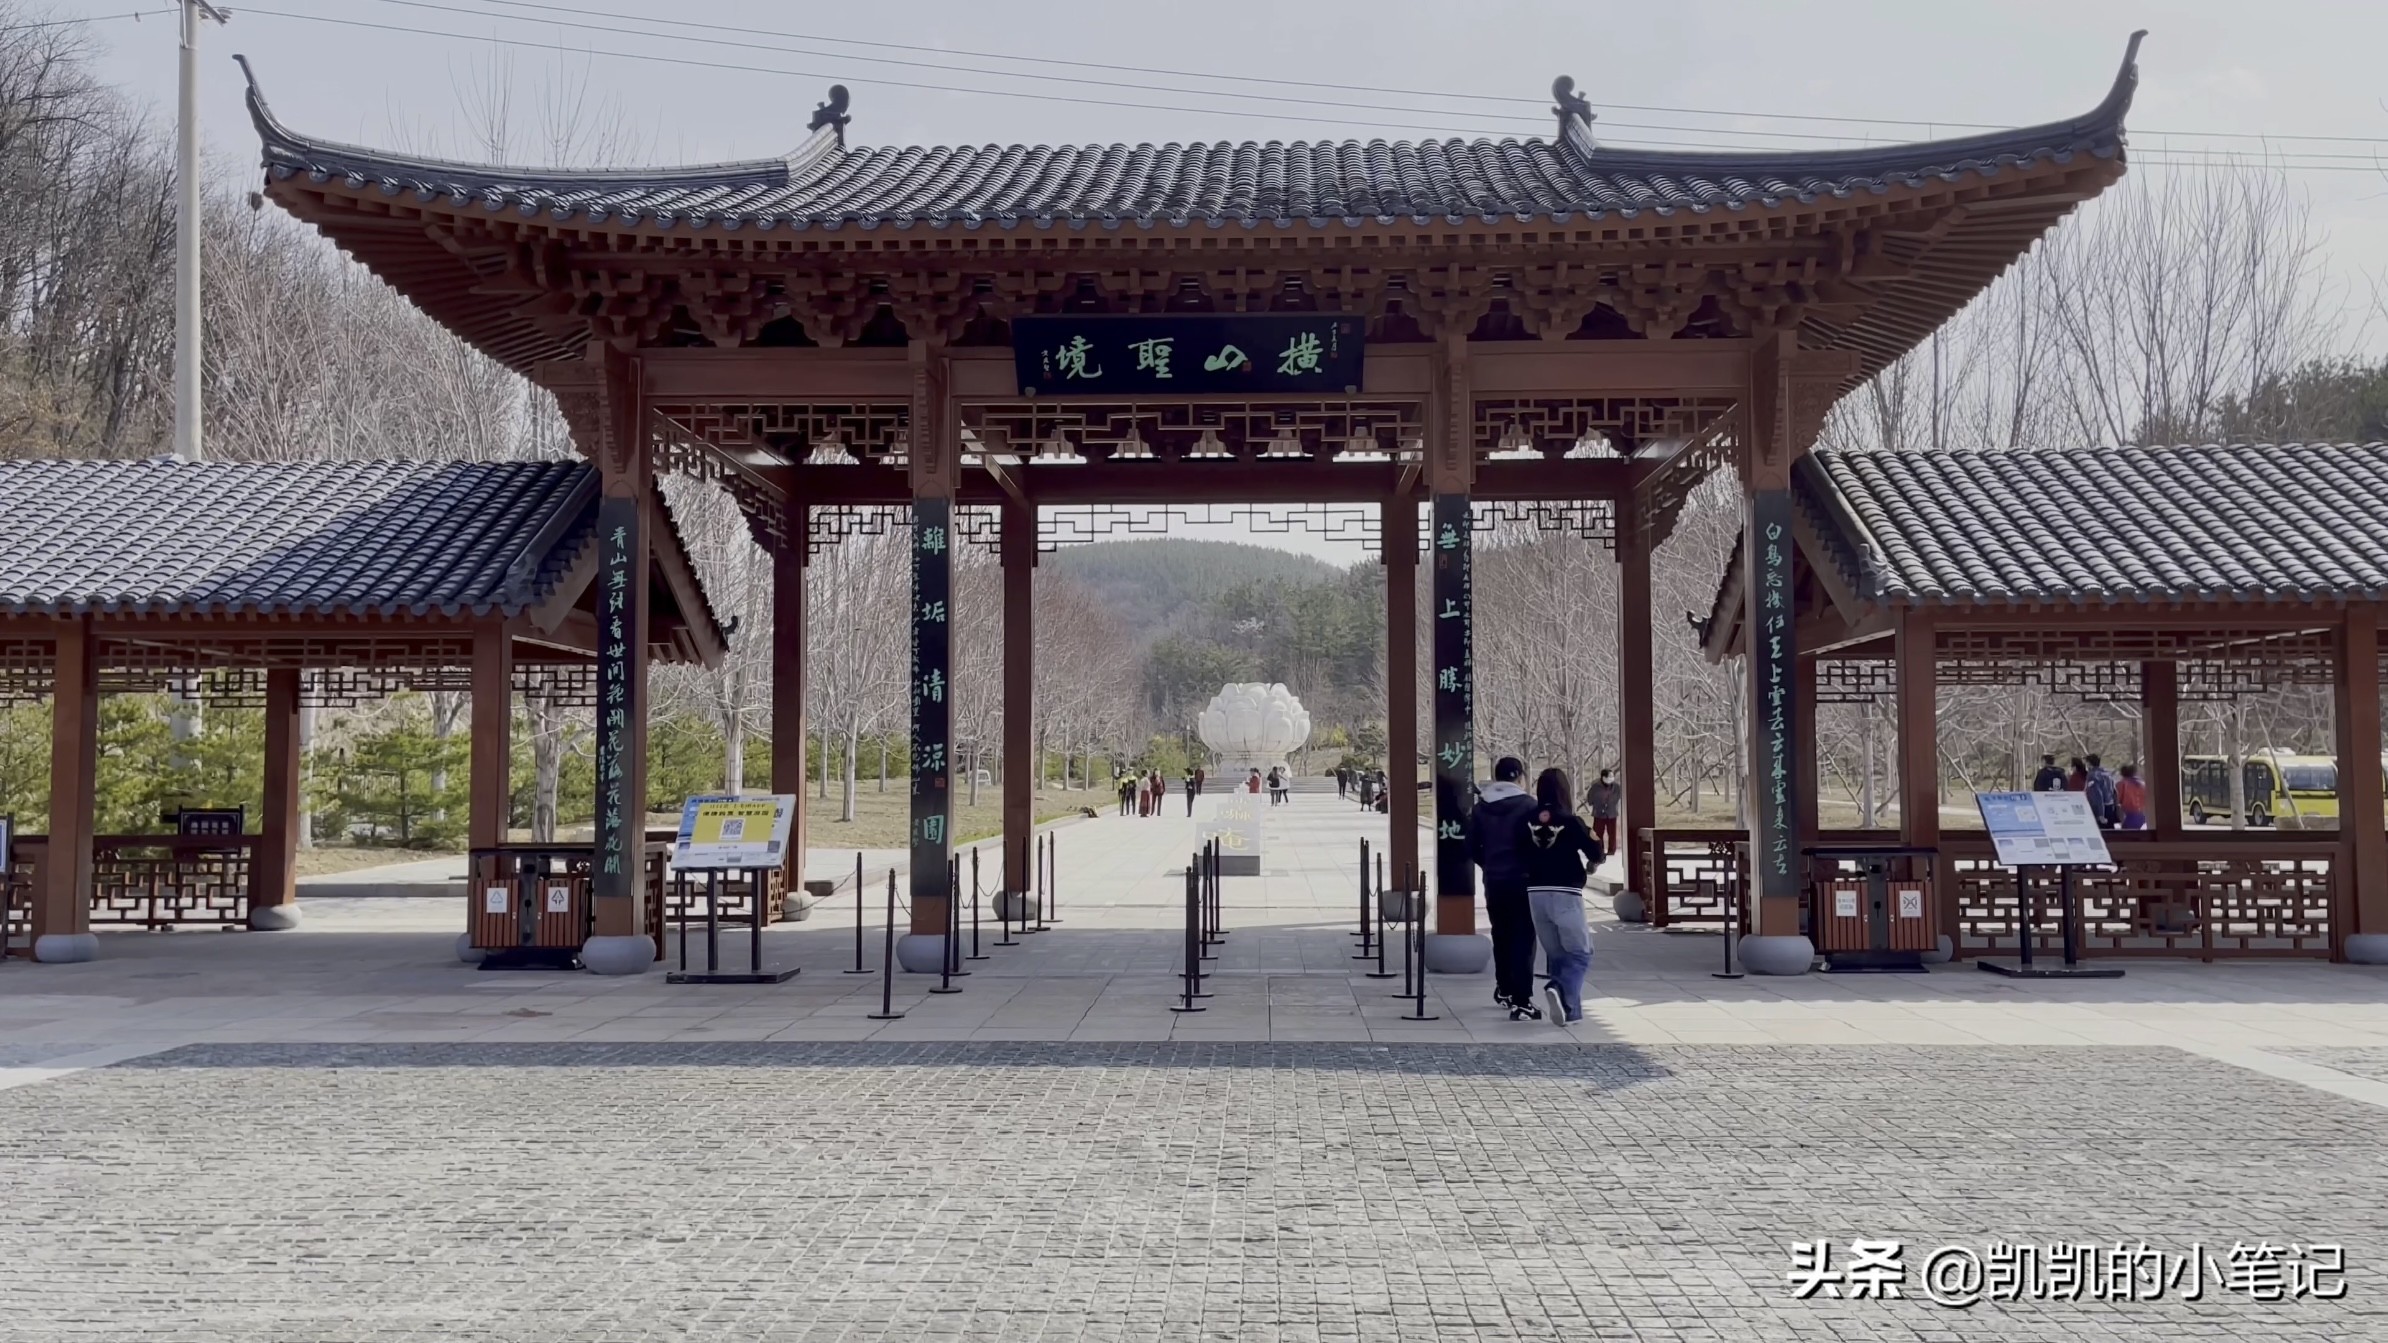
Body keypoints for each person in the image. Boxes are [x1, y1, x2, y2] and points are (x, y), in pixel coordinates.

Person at [1516, 766, 1603, 1028]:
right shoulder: (1571, 820)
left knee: (1558, 955)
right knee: (1580, 953)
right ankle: (1559, 986)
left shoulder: (1525, 819)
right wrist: (1593, 862)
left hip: (1535, 893)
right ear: (1565, 790)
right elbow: (1596, 850)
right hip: (1565, 891)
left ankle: (1569, 1012)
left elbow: (1517, 851)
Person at [1469, 756, 1541, 1020]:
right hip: (1522, 881)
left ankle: (1505, 988)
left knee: (1501, 934)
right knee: (1524, 937)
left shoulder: (1481, 808)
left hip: (1494, 880)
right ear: (1520, 776)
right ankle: (1522, 999)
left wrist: (1488, 865)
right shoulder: (1529, 806)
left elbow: (1472, 846)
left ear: (1496, 776)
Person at [1585, 768, 1622, 856]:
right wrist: (1598, 805)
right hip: (1598, 813)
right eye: (1609, 776)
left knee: (1612, 833)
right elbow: (1590, 798)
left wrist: (1610, 804)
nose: (1611, 778)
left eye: (1612, 776)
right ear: (1603, 777)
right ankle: (1599, 849)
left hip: (1612, 813)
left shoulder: (1616, 787)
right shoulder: (1595, 786)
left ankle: (1611, 850)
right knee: (1598, 833)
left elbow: (1618, 797)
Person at [2084, 753, 2120, 829]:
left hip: (2100, 808)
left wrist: (2100, 814)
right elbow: (2114, 791)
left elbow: (2098, 795)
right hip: (2110, 806)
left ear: (2089, 763)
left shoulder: (2093, 776)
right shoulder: (2107, 774)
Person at [2115, 763, 2149, 830]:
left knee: (2127, 835)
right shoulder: (2142, 784)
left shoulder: (2121, 784)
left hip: (2128, 814)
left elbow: (2117, 800)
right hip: (2142, 814)